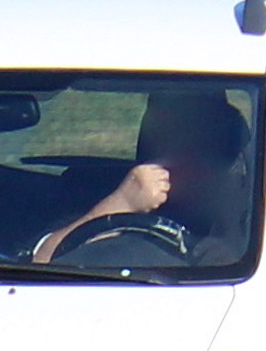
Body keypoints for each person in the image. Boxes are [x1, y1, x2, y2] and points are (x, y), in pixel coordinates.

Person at [32, 91, 252, 265]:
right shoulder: (102, 196)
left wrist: (226, 257)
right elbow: (42, 259)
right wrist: (121, 203)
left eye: (201, 146)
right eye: (167, 139)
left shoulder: (252, 204)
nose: (183, 158)